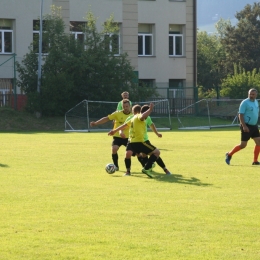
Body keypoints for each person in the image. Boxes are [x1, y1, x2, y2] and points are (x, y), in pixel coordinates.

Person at [109, 103, 165, 178]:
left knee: (133, 154)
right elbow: (142, 116)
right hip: (139, 141)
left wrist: (114, 130)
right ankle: (147, 167)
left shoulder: (132, 117)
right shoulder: (139, 116)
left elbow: (124, 125)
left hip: (132, 141)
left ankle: (133, 170)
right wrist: (150, 109)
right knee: (157, 152)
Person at [90, 99, 132, 170]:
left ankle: (146, 166)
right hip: (117, 136)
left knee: (137, 153)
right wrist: (96, 123)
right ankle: (116, 166)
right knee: (114, 149)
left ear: (130, 106)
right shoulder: (117, 113)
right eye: (124, 106)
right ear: (122, 106)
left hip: (128, 137)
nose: (126, 108)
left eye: (127, 106)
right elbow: (106, 118)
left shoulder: (132, 115)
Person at [225, 88, 260, 165]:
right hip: (246, 126)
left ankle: (255, 161)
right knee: (243, 145)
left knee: (259, 142)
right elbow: (240, 114)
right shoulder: (245, 103)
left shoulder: (256, 102)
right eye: (250, 94)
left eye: (253, 94)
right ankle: (229, 154)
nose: (251, 95)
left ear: (256, 95)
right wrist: (244, 126)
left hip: (254, 126)